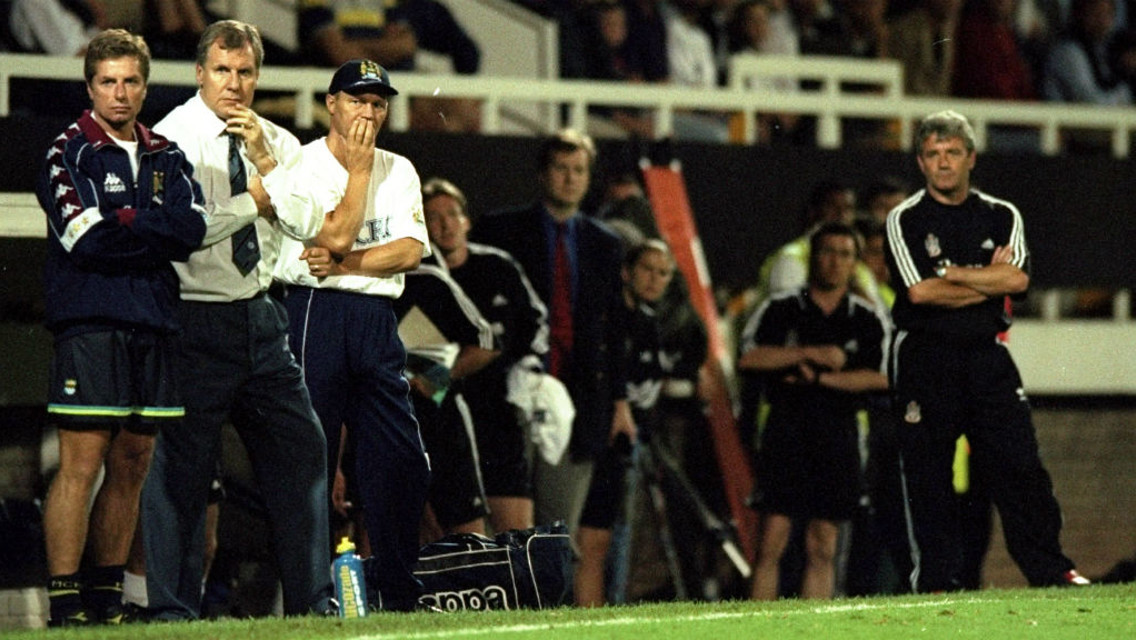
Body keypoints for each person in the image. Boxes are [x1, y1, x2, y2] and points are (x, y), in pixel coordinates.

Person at [139, 20, 338, 620]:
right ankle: (173, 612)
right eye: (222, 71)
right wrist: (254, 200)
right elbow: (185, 231)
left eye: (245, 71)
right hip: (194, 319)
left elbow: (310, 224)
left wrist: (262, 161)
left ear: (257, 74)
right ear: (200, 73)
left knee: (304, 453)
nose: (234, 83)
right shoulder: (167, 140)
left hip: (264, 316)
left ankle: (313, 605)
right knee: (182, 472)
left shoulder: (274, 138)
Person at [36, 28, 206, 627]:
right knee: (81, 464)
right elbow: (85, 238)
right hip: (91, 323)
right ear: (90, 87)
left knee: (133, 464)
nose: (120, 93)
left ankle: (106, 601)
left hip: (154, 323)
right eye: (108, 81)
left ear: (144, 86)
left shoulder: (167, 154)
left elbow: (192, 230)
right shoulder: (67, 152)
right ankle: (64, 604)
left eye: (131, 81)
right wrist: (149, 227)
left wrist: (128, 222)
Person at [883, 109, 1089, 592]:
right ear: (920, 162)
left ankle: (1051, 570)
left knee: (1020, 464)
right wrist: (985, 282)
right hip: (925, 357)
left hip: (986, 355)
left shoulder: (1001, 214)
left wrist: (953, 274)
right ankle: (933, 581)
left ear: (971, 157)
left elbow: (1017, 279)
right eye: (933, 154)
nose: (943, 163)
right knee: (928, 473)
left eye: (953, 152)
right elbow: (919, 294)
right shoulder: (905, 219)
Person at [275, 58, 433, 612]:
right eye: (358, 99)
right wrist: (359, 178)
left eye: (379, 102)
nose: (369, 111)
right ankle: (310, 595)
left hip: (373, 319)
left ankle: (398, 587)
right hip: (314, 312)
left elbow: (410, 251)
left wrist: (345, 263)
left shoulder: (401, 167)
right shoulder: (300, 165)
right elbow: (321, 244)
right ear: (332, 103)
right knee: (312, 457)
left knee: (402, 457)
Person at [470, 129, 634, 540]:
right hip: (510, 393)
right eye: (561, 168)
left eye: (579, 170)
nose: (570, 178)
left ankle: (550, 603)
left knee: (559, 531)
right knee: (504, 527)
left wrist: (620, 401)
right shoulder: (501, 231)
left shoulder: (605, 244)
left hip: (579, 398)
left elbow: (614, 328)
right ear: (543, 174)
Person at [738, 221, 889, 600]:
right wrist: (809, 354)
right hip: (785, 433)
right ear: (813, 258)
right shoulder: (781, 308)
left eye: (845, 254)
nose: (835, 262)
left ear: (855, 263)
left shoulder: (865, 318)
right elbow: (750, 356)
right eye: (827, 252)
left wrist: (819, 380)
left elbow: (884, 377)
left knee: (823, 543)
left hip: (838, 437)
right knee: (772, 538)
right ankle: (758, 629)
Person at [422, 177, 549, 534]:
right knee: (460, 543)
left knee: (517, 540)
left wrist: (491, 355)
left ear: (467, 221)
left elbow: (530, 330)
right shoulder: (418, 279)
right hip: (445, 424)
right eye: (434, 216)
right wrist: (475, 356)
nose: (445, 224)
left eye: (452, 214)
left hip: (499, 417)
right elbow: (429, 372)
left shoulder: (498, 267)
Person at [575, 238, 673, 607]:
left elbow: (649, 384)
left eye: (663, 273)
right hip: (592, 435)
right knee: (582, 536)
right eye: (647, 269)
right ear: (626, 271)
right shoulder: (604, 313)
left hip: (621, 443)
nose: (654, 279)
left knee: (602, 538)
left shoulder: (649, 323)